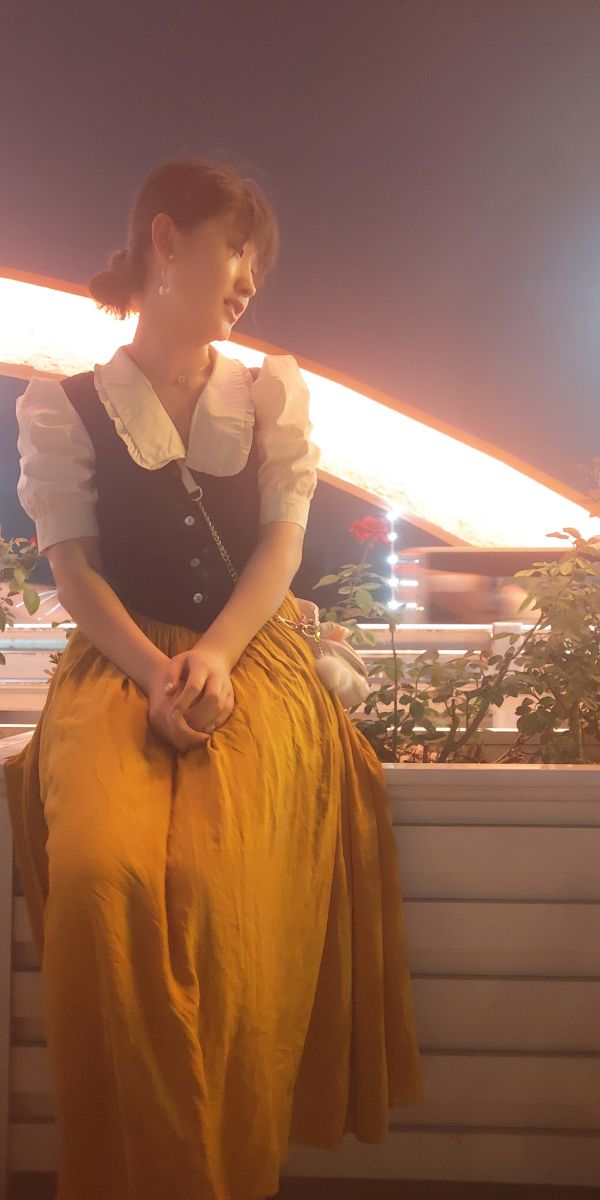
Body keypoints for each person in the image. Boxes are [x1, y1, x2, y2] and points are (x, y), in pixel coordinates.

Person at [3, 157, 425, 1200]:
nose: (249, 278)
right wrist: (157, 672)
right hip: (120, 662)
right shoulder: (64, 406)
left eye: (258, 261)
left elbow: (281, 546)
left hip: (252, 652)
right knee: (100, 877)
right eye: (236, 248)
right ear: (165, 238)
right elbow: (74, 569)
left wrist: (218, 657)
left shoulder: (271, 392)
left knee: (218, 886)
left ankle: (225, 1167)